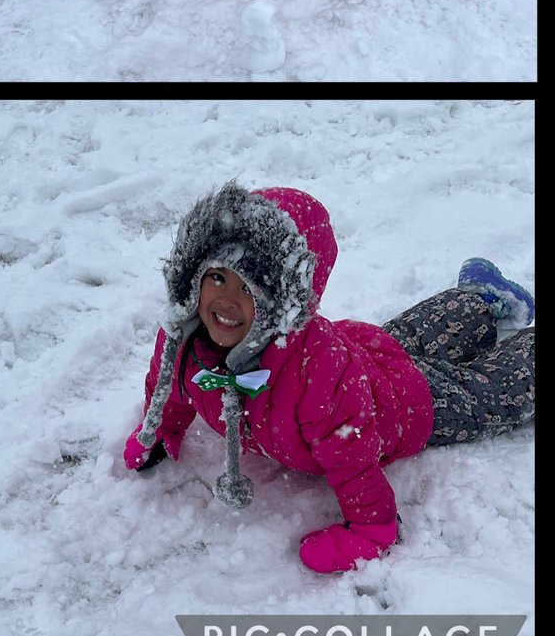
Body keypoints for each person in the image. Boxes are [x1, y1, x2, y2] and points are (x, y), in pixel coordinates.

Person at [123, 181, 534, 573]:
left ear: (289, 298)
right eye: (217, 277)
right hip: (361, 356)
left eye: (251, 289)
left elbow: (351, 456)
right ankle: (478, 299)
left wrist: (371, 530)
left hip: (401, 406)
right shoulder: (184, 335)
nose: (226, 300)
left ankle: (493, 317)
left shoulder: (317, 377)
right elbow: (171, 383)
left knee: (487, 394)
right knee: (409, 339)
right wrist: (157, 430)